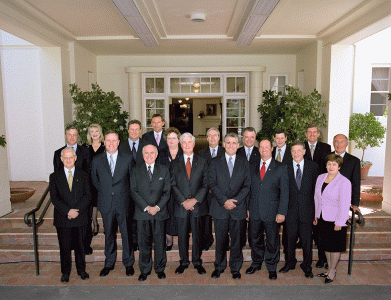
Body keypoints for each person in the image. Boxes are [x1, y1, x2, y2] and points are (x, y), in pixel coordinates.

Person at [91, 131, 135, 277]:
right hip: (106, 204)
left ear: (118, 142)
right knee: (109, 234)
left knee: (126, 234)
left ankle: (128, 263)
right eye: (108, 140)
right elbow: (95, 181)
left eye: (114, 140)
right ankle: (109, 263)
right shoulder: (97, 160)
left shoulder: (128, 159)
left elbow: (132, 182)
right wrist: (107, 191)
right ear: (104, 142)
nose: (111, 143)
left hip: (123, 203)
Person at [208, 133, 251, 279]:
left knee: (237, 240)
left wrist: (234, 201)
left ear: (238, 145)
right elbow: (212, 184)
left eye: (234, 143)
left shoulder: (244, 163)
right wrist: (224, 201)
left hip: (238, 208)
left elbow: (247, 186)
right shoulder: (214, 162)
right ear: (224, 144)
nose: (231, 145)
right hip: (220, 207)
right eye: (228, 143)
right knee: (220, 240)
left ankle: (235, 268)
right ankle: (219, 267)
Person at [246, 139, 289, 280]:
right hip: (254, 210)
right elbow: (247, 189)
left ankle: (271, 266)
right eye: (261, 147)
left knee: (272, 240)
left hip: (272, 211)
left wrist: (282, 212)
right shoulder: (251, 166)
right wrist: (246, 208)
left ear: (272, 149)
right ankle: (256, 262)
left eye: (267, 147)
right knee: (255, 238)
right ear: (259, 149)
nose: (264, 149)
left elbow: (284, 192)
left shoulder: (281, 167)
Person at [50, 147, 91, 283]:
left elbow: (87, 196)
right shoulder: (54, 176)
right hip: (63, 218)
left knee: (80, 246)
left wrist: (76, 211)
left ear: (75, 158)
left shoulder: (83, 174)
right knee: (65, 247)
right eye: (65, 157)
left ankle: (81, 270)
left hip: (80, 217)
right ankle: (65, 272)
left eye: (71, 157)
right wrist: (68, 211)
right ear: (61, 159)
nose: (68, 160)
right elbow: (55, 198)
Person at [278, 141, 318, 278]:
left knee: (307, 241)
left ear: (304, 151)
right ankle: (289, 263)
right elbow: (282, 191)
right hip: (290, 212)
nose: (296, 153)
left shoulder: (313, 167)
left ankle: (307, 266)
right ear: (291, 152)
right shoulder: (285, 167)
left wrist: (316, 212)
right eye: (293, 151)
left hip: (307, 212)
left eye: (299, 150)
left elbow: (316, 192)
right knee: (289, 240)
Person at [131, 144, 171, 281]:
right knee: (144, 243)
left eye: (152, 153)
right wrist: (146, 207)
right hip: (142, 213)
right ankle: (145, 270)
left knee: (160, 243)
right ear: (142, 155)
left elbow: (167, 192)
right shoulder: (136, 170)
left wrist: (157, 207)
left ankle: (160, 269)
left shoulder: (164, 170)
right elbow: (133, 191)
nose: (149, 155)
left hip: (159, 212)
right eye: (146, 153)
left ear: (156, 154)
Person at [170, 132, 208, 275]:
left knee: (197, 235)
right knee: (182, 236)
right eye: (184, 143)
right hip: (181, 206)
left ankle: (197, 262)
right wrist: (183, 201)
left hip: (197, 206)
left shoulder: (202, 161)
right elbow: (172, 184)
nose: (186, 145)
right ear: (181, 145)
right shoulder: (174, 163)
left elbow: (205, 184)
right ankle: (184, 261)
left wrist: (194, 200)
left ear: (193, 144)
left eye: (189, 142)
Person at [53, 125, 92, 255]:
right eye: (69, 134)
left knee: (84, 228)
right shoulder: (58, 153)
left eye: (75, 134)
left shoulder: (85, 151)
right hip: (65, 199)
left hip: (81, 197)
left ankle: (84, 246)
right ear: (65, 135)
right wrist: (67, 208)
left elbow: (88, 172)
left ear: (78, 136)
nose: (72, 137)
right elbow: (58, 178)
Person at [314, 154, 351, 284]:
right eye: (329, 163)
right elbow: (317, 198)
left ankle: (332, 271)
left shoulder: (344, 182)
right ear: (326, 165)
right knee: (326, 245)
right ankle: (329, 268)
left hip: (336, 220)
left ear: (339, 166)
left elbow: (344, 203)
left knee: (334, 247)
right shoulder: (320, 178)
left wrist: (340, 222)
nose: (331, 166)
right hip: (323, 218)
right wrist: (316, 215)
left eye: (334, 164)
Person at [119, 119, 150, 251]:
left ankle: (142, 240)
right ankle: (132, 241)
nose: (134, 131)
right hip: (125, 187)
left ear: (140, 131)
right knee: (129, 215)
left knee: (141, 214)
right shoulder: (121, 146)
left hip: (142, 187)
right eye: (132, 129)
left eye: (137, 129)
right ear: (128, 131)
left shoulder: (146, 145)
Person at [303, 124, 331, 268]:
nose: (312, 134)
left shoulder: (326, 148)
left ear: (318, 134)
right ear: (306, 134)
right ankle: (306, 259)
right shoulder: (300, 148)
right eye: (309, 132)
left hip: (321, 192)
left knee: (320, 230)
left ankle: (322, 259)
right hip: (305, 192)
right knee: (307, 228)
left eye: (315, 132)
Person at [197, 127, 225, 251]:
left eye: (215, 135)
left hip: (222, 192)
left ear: (219, 138)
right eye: (210, 135)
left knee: (223, 218)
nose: (212, 138)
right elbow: (200, 173)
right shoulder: (201, 154)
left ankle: (224, 242)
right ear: (207, 138)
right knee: (206, 218)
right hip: (207, 192)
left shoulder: (226, 152)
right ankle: (207, 241)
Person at [156, 127, 183, 251]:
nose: (171, 141)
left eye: (174, 138)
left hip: (181, 191)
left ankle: (181, 238)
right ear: (165, 140)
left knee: (179, 215)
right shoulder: (160, 154)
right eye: (169, 138)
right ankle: (168, 239)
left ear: (178, 140)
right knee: (166, 214)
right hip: (165, 190)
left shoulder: (185, 153)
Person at [237, 127, 260, 249]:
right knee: (239, 225)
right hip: (239, 194)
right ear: (243, 138)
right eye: (246, 137)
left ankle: (253, 246)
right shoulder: (236, 152)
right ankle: (239, 246)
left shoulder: (260, 152)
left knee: (254, 226)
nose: (249, 139)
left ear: (255, 138)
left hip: (255, 194)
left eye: (252, 137)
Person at [82, 124, 105, 237]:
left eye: (97, 131)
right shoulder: (85, 147)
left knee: (103, 201)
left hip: (103, 179)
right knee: (92, 202)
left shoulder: (105, 146)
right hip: (89, 179)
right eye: (92, 131)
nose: (95, 133)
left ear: (100, 133)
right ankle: (94, 223)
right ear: (89, 134)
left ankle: (106, 224)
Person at [332, 134, 361, 213]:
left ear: (347, 144)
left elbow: (356, 183)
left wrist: (355, 204)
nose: (339, 144)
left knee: (341, 224)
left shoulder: (354, 161)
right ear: (333, 143)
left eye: (342, 142)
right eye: (337, 142)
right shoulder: (326, 158)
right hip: (327, 201)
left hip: (343, 200)